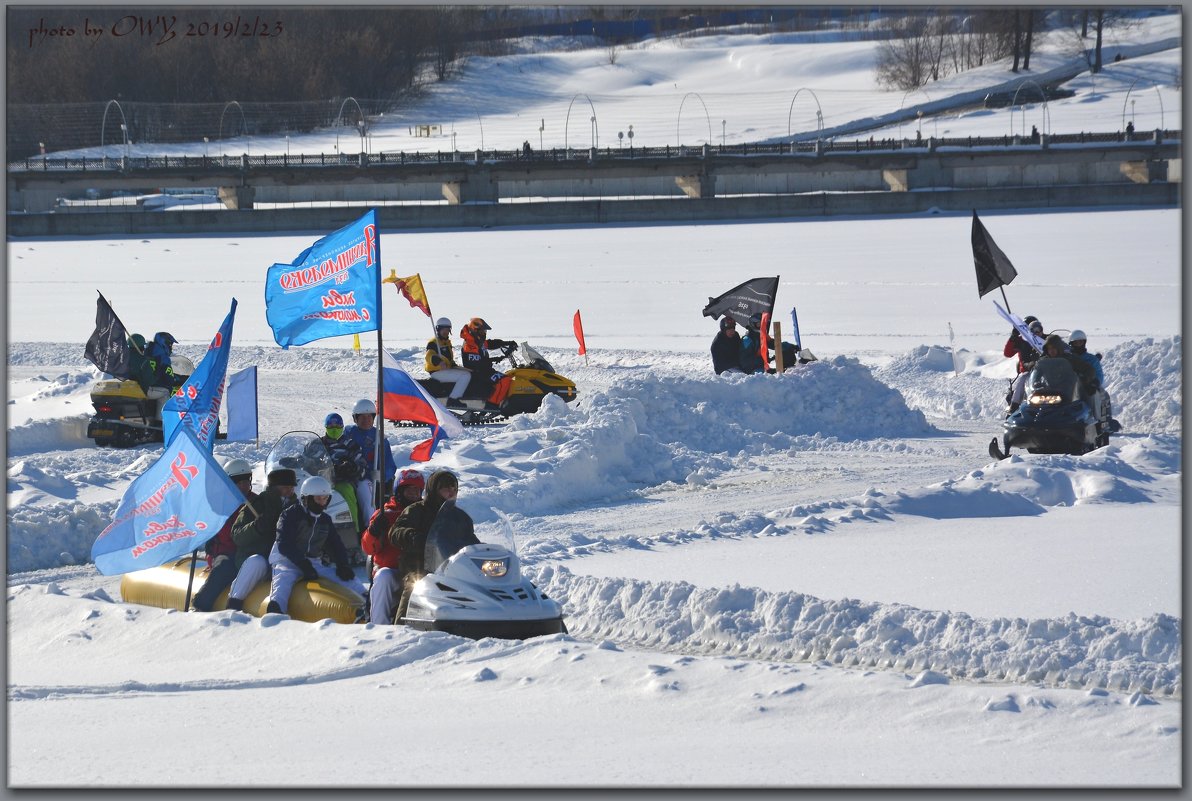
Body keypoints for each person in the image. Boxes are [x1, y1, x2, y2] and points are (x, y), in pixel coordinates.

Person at [387, 470, 476, 623]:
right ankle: (400, 628)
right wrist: (411, 536)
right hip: (420, 568)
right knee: (414, 587)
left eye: (454, 489)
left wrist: (483, 551)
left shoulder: (460, 517)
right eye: (446, 488)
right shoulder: (416, 510)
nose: (451, 492)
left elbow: (471, 541)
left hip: (454, 570)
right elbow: (395, 532)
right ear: (435, 490)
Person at [264, 475, 356, 616]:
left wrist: (343, 564)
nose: (322, 503)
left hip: (313, 562)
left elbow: (335, 544)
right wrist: (302, 563)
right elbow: (284, 544)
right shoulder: (290, 515)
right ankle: (276, 612)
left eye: (325, 498)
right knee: (283, 581)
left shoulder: (324, 519)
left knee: (347, 579)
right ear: (306, 499)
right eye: (318, 498)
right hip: (286, 561)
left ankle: (365, 606)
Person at [224, 467, 297, 612]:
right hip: (257, 557)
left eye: (292, 487)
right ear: (274, 489)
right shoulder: (256, 505)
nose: (289, 491)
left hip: (284, 560)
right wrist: (256, 527)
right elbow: (237, 535)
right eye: (285, 487)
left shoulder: (297, 507)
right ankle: (233, 604)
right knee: (256, 562)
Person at [191, 458, 257, 612]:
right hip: (226, 554)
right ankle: (200, 605)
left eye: (246, 481)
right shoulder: (220, 505)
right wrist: (211, 554)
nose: (244, 485)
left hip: (250, 554)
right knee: (224, 567)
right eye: (238, 482)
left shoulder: (256, 502)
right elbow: (214, 534)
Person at [361, 469, 424, 624]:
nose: (414, 494)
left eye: (417, 490)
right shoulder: (385, 514)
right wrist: (374, 531)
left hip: (417, 570)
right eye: (410, 490)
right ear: (400, 491)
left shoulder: (425, 513)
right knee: (384, 578)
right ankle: (378, 625)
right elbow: (368, 548)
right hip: (392, 571)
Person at [343, 398, 397, 525]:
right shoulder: (349, 432)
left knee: (367, 496)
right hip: (347, 475)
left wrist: (381, 475)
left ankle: (370, 526)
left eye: (369, 416)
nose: (366, 420)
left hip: (366, 478)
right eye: (362, 417)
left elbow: (390, 466)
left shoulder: (380, 439)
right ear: (355, 418)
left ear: (374, 418)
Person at [320, 412, 367, 538]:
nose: (334, 430)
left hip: (342, 481)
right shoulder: (317, 445)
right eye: (331, 427)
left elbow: (362, 466)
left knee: (346, 491)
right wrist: (295, 461)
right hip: (320, 482)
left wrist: (351, 467)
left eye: (337, 427)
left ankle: (354, 531)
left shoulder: (350, 445)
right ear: (325, 427)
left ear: (342, 427)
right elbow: (306, 460)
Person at [460, 317, 513, 410]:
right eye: (483, 331)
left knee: (509, 375)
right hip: (478, 373)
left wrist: (506, 343)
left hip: (484, 370)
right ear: (475, 330)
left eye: (485, 331)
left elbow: (490, 343)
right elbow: (477, 363)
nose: (484, 333)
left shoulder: (477, 341)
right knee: (504, 380)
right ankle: (492, 405)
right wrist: (493, 359)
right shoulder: (470, 344)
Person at [425, 317, 471, 408]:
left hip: (445, 370)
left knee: (468, 373)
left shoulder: (447, 342)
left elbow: (449, 360)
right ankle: (453, 400)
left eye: (447, 329)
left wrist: (459, 367)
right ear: (438, 329)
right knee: (465, 376)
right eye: (443, 329)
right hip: (437, 372)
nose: (445, 331)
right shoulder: (433, 342)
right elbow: (429, 356)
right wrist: (439, 362)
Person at [1068, 329, 1110, 423]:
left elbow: (1099, 374)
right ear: (1071, 343)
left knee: (1093, 394)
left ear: (1084, 343)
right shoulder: (1067, 358)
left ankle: (1096, 420)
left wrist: (1095, 382)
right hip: (1068, 387)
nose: (1078, 344)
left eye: (1081, 342)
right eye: (1076, 343)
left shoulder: (1091, 359)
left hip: (1086, 387)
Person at [1004, 316, 1044, 410]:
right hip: (1027, 371)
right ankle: (1014, 406)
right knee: (1022, 380)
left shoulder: (1044, 339)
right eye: (1029, 329)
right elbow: (1008, 353)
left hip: (1045, 370)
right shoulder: (1021, 341)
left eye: (1037, 329)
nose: (1035, 332)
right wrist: (1013, 337)